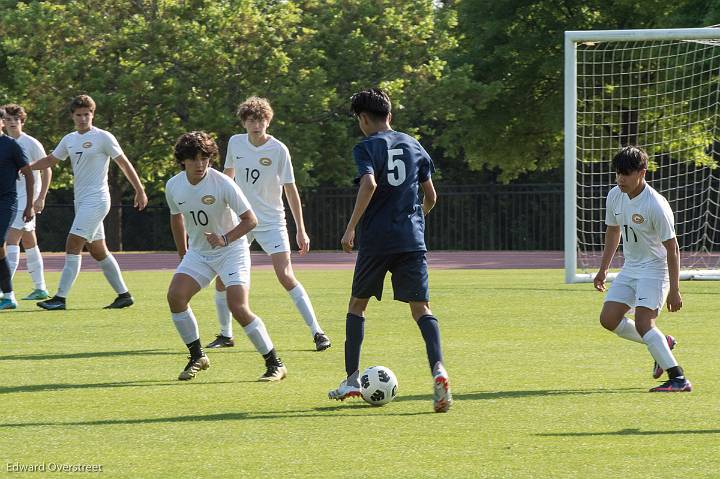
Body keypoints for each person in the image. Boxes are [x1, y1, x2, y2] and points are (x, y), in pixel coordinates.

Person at [327, 88, 453, 413]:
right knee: (421, 308)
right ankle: (438, 369)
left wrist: (351, 226)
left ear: (364, 119)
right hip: (411, 240)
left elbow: (368, 184)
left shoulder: (366, 147)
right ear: (390, 115)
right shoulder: (414, 145)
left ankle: (352, 379)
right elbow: (432, 196)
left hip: (376, 240)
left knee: (358, 306)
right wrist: (413, 220)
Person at [209, 96, 330, 352]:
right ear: (244, 122)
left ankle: (317, 332)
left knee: (285, 275)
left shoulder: (279, 149)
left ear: (268, 120)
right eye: (251, 120)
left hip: (272, 221)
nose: (257, 124)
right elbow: (227, 180)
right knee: (222, 278)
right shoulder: (235, 143)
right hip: (241, 220)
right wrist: (220, 215)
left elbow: (291, 189)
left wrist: (301, 229)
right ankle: (225, 334)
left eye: (261, 119)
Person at [165, 131, 287, 381]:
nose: (200, 164)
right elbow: (176, 217)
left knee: (237, 306)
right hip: (200, 253)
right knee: (175, 296)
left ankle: (275, 363)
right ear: (182, 160)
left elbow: (250, 220)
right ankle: (197, 355)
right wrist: (183, 255)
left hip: (232, 250)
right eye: (194, 159)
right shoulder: (173, 185)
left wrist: (225, 239)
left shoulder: (222, 183)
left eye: (205, 158)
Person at [29, 94, 147, 310]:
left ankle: (60, 298)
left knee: (73, 243)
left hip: (98, 199)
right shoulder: (69, 139)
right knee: (98, 250)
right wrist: (26, 167)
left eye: (86, 114)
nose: (83, 119)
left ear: (92, 114)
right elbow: (50, 160)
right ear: (72, 116)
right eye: (78, 115)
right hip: (81, 201)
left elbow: (124, 163)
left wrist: (139, 190)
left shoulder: (104, 137)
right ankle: (124, 295)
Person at [594, 146, 691, 392]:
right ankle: (662, 343)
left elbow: (673, 248)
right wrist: (603, 269)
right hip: (631, 268)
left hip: (655, 270)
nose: (621, 179)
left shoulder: (655, 205)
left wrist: (675, 290)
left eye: (626, 173)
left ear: (642, 173)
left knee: (643, 323)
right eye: (618, 173)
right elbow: (613, 231)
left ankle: (678, 378)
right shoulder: (614, 195)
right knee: (609, 319)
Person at [1, 104, 52, 300]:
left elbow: (47, 168)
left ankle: (5, 291)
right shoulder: (3, 143)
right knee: (29, 241)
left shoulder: (31, 143)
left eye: (16, 119)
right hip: (13, 196)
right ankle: (41, 287)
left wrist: (41, 198)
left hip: (26, 198)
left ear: (22, 121)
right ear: (3, 122)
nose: (12, 122)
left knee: (10, 240)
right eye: (8, 119)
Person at [0, 106, 35, 310]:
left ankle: (9, 295)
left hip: (7, 201)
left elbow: (29, 174)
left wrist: (30, 204)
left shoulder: (10, 145)